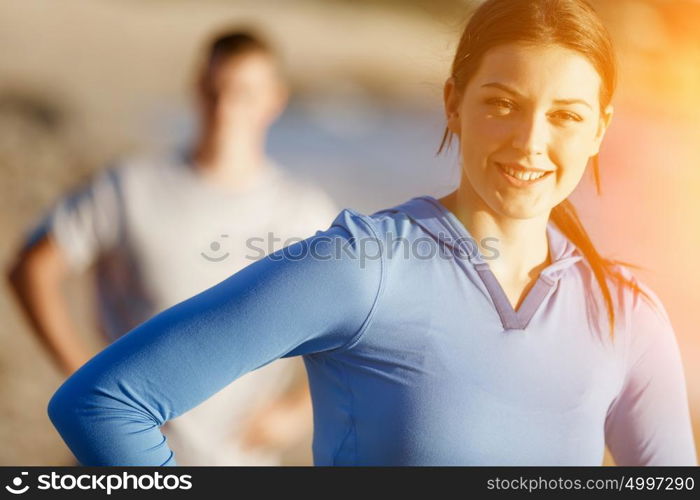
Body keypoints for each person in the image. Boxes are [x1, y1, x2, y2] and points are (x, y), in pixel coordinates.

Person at [46, 0, 697, 466]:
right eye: (502, 104)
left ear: (601, 129)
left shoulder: (627, 313)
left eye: (566, 115)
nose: (531, 141)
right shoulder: (363, 267)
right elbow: (104, 404)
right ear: (453, 103)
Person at [8, 28, 338, 465]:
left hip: (241, 459)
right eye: (214, 89)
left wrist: (296, 412)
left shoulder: (304, 210)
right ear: (196, 88)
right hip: (123, 458)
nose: (224, 106)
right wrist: (83, 377)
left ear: (274, 99)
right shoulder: (129, 187)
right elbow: (32, 269)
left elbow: (350, 321)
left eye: (243, 92)